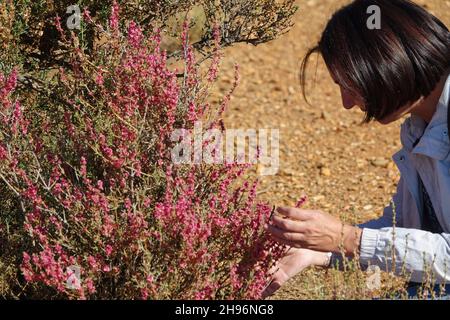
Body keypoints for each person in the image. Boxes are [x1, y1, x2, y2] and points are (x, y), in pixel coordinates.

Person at [263, 0, 450, 299]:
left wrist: (347, 239)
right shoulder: (420, 126)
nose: (347, 103)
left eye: (349, 84)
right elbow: (404, 227)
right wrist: (319, 251)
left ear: (385, 60)